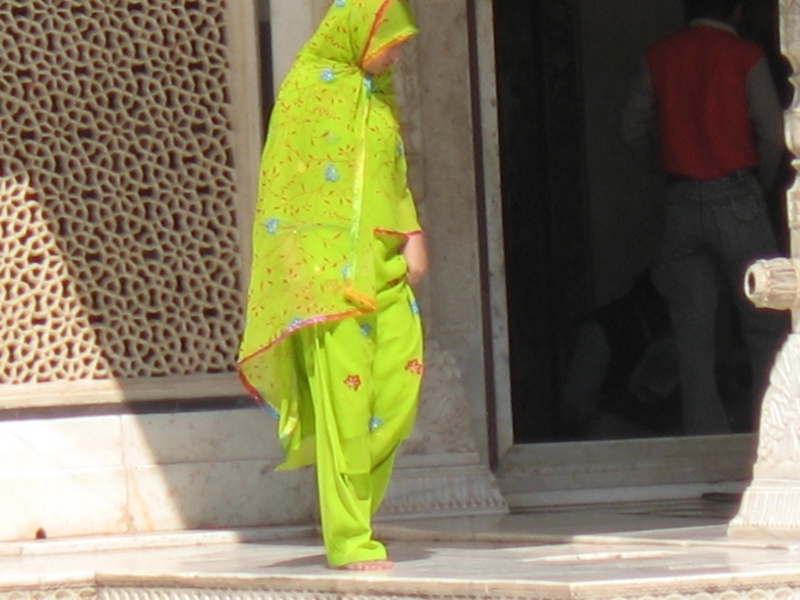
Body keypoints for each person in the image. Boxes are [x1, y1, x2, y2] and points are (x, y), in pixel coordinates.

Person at [237, 0, 427, 571]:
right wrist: (309, 271)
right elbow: (286, 195)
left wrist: (413, 230)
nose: (397, 53)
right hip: (329, 283)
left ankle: (354, 497)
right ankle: (349, 538)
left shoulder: (378, 98)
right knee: (345, 406)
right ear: (359, 34)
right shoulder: (310, 92)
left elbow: (391, 175)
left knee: (399, 389)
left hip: (384, 270)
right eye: (390, 40)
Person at [621, 0, 787, 435]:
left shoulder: (659, 55)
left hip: (681, 201)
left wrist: (662, 169)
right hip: (738, 197)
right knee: (764, 324)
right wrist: (764, 185)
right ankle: (770, 435)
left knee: (692, 337)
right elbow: (773, 134)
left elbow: (632, 127)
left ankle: (702, 441)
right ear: (735, 10)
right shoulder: (744, 56)